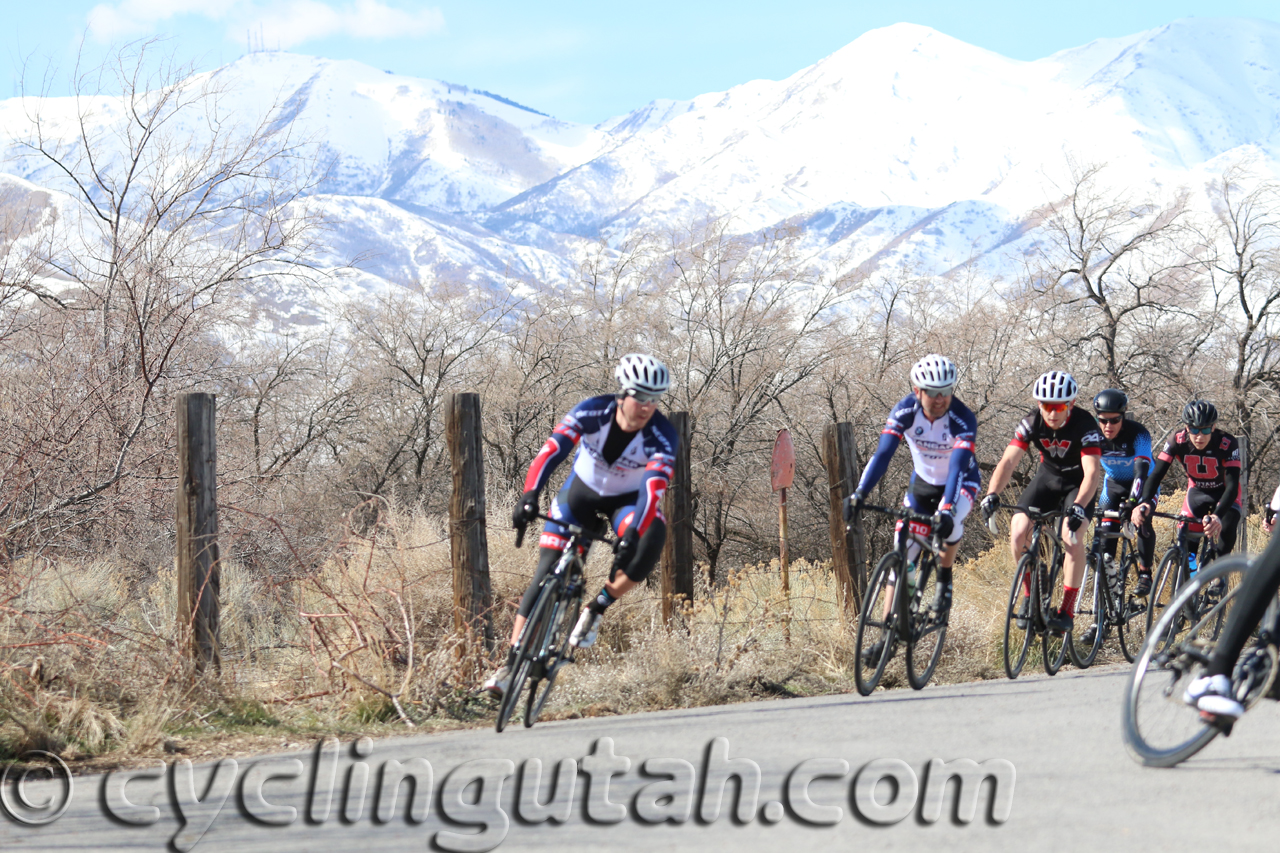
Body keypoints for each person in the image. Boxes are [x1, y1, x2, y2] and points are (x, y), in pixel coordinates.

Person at [483, 354, 679, 699]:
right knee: (546, 572)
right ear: (623, 393)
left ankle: (596, 608)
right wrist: (529, 495)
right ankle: (509, 667)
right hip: (580, 496)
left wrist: (632, 534)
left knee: (652, 535)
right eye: (640, 396)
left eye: (655, 399)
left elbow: (653, 486)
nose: (647, 406)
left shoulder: (661, 435)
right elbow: (551, 452)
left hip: (627, 503)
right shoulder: (592, 411)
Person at [844, 354, 981, 657]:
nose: (940, 398)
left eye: (946, 391)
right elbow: (882, 455)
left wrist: (945, 508)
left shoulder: (962, 418)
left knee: (953, 520)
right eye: (932, 392)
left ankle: (944, 580)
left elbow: (958, 467)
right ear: (917, 391)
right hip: (922, 484)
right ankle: (888, 632)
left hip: (960, 483)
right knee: (903, 554)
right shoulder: (905, 411)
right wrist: (859, 495)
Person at [980, 371, 1103, 635]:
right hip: (1047, 478)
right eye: (1047, 406)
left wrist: (1079, 506)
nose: (1053, 413)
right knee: (1018, 533)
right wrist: (991, 493)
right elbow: (1008, 462)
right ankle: (1030, 595)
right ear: (1039, 405)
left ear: (1071, 404)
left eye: (1059, 406)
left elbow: (1092, 473)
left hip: (1078, 484)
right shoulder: (1031, 422)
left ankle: (1067, 611)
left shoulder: (1085, 424)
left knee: (1071, 537)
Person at [1132, 400, 1241, 557]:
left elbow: (1232, 486)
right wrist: (1144, 502)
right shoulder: (1177, 440)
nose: (1199, 436)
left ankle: (1219, 574)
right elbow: (1156, 475)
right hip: (1197, 491)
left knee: (1228, 522)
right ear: (1186, 427)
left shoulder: (1227, 443)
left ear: (1214, 427)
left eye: (1205, 430)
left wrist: (1217, 515)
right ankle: (1187, 573)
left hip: (1224, 492)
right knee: (1186, 543)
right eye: (1194, 430)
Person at [1091, 389, 1156, 598]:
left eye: (1114, 420)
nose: (1108, 426)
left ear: (1123, 416)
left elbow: (1141, 471)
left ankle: (1145, 573)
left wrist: (1133, 502)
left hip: (1143, 483)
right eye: (1103, 420)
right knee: (1104, 534)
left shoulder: (1139, 434)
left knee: (1142, 517)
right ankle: (1110, 592)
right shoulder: (1092, 433)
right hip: (1114, 484)